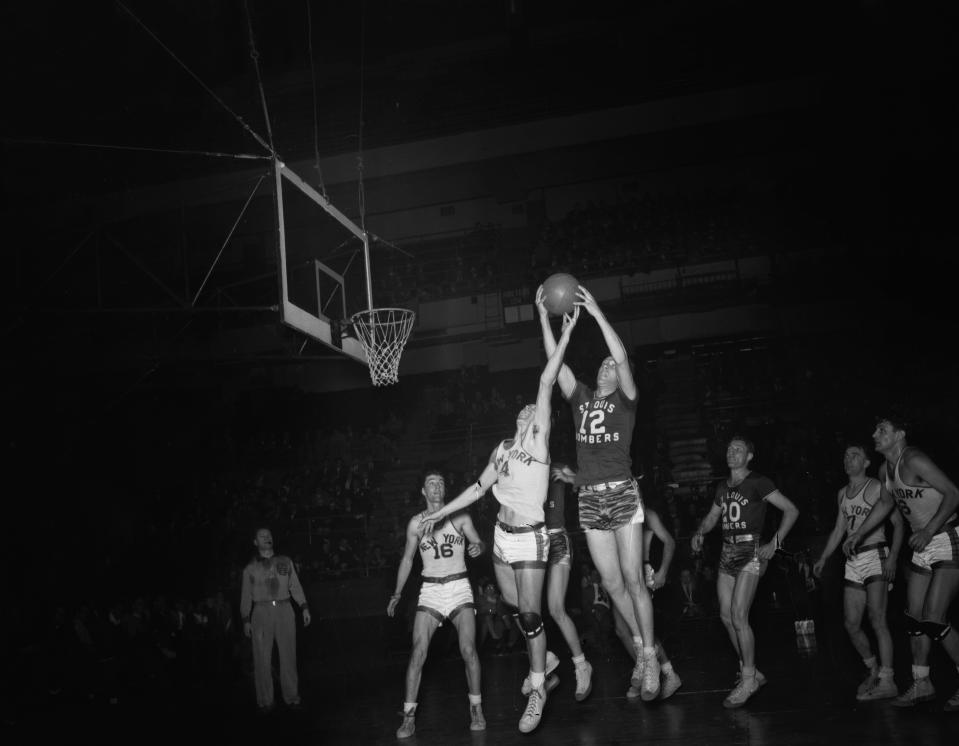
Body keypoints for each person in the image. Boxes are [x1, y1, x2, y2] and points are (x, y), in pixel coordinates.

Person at [420, 305, 579, 733]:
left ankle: (539, 687)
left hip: (530, 536)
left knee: (530, 614)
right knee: (512, 606)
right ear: (517, 420)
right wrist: (438, 516)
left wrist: (557, 331)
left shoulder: (540, 444)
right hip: (502, 535)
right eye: (526, 410)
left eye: (536, 411)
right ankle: (543, 656)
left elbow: (547, 379)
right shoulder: (503, 449)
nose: (531, 411)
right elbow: (475, 489)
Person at [537, 283, 660, 700]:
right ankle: (646, 650)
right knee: (612, 584)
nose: (609, 363)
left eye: (613, 362)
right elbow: (555, 369)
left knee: (633, 580)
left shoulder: (627, 400)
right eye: (605, 362)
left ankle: (648, 658)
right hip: (589, 499)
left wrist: (597, 315)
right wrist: (548, 321)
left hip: (623, 493)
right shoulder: (581, 398)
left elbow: (622, 354)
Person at [842, 416, 959, 711]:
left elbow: (954, 494)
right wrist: (858, 533)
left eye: (882, 430)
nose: (875, 434)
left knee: (935, 618)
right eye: (876, 429)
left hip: (946, 538)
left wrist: (929, 530)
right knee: (914, 618)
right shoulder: (885, 470)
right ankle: (922, 683)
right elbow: (884, 504)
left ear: (900, 435)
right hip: (923, 544)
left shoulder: (915, 459)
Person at [691, 436, 799, 708]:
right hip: (727, 552)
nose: (731, 452)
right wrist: (700, 532)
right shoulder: (722, 487)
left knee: (740, 616)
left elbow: (791, 510)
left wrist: (774, 544)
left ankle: (748, 679)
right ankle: (751, 671)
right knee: (726, 617)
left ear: (749, 456)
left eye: (738, 449)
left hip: (751, 551)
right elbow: (713, 517)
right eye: (729, 448)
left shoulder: (758, 482)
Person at [387, 469, 487, 739]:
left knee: (468, 649)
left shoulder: (460, 515)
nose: (436, 487)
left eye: (440, 483)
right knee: (418, 651)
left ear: (444, 489)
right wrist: (397, 593)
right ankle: (408, 717)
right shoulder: (415, 523)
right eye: (431, 483)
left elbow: (479, 542)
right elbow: (408, 560)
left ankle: (476, 709)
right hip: (431, 589)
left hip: (458, 586)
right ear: (423, 491)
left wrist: (478, 547)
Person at [813, 442, 903, 701]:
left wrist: (894, 557)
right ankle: (873, 669)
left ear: (866, 462)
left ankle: (889, 680)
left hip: (876, 554)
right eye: (845, 455)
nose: (848, 459)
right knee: (851, 624)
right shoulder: (842, 493)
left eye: (855, 455)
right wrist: (824, 558)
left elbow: (897, 524)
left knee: (877, 619)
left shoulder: (877, 486)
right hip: (853, 561)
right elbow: (840, 530)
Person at [239, 527, 312, 714]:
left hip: (284, 608)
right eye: (262, 536)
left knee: (289, 655)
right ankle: (265, 700)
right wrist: (246, 618)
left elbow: (295, 585)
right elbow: (246, 596)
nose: (267, 538)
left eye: (269, 535)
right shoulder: (250, 568)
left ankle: (292, 697)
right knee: (262, 658)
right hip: (261, 612)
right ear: (255, 542)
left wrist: (303, 606)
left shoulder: (285, 561)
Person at [543, 463, 593, 701]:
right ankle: (542, 662)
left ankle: (581, 666)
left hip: (555, 539)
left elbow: (588, 481)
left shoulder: (556, 466)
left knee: (555, 609)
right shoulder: (522, 464)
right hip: (529, 542)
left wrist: (569, 476)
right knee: (522, 608)